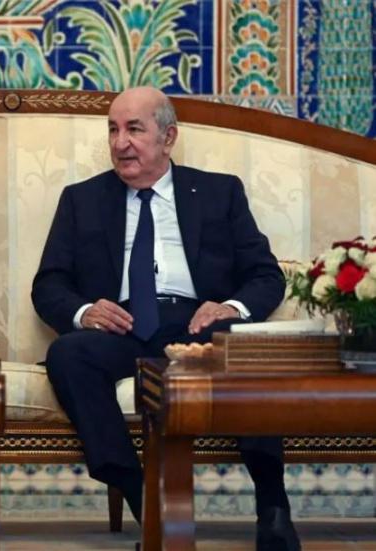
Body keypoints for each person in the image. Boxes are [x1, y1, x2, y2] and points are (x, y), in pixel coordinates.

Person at [31, 86, 300, 551]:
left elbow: (265, 275)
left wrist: (230, 308)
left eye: (134, 129)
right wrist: (85, 311)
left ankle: (273, 508)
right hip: (122, 327)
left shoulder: (219, 192)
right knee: (68, 355)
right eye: (113, 130)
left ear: (168, 137)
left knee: (246, 348)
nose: (120, 143)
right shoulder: (82, 199)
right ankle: (145, 502)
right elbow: (49, 285)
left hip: (200, 326)